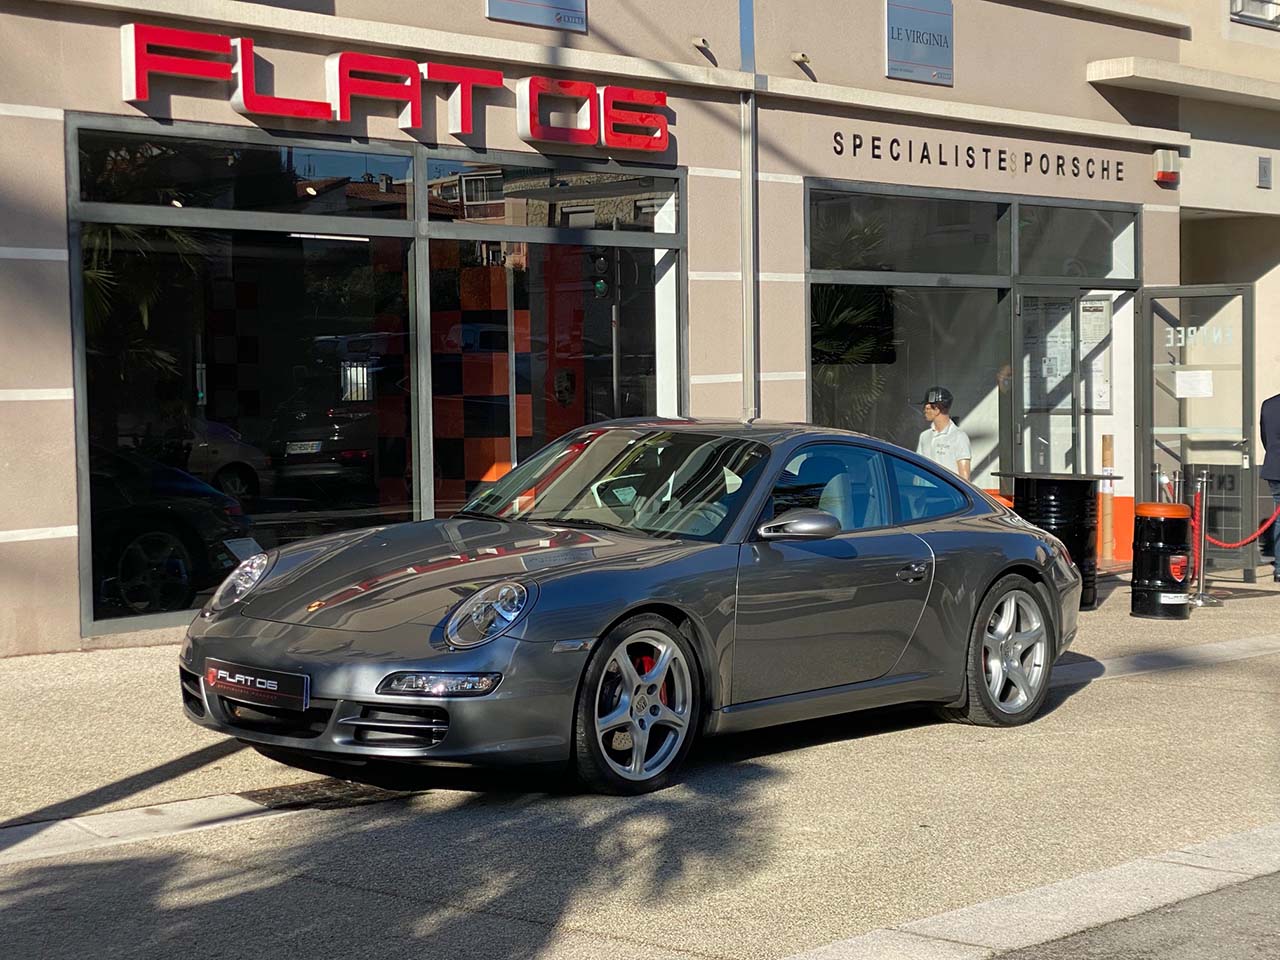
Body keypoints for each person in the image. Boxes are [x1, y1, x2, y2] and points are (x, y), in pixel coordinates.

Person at [916, 386, 972, 481]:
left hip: (949, 494)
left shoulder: (959, 437)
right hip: (926, 493)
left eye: (927, 408)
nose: (924, 410)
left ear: (937, 410)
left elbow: (965, 478)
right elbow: (918, 470)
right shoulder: (924, 436)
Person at [1260, 392, 1280, 582]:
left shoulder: (1269, 404)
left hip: (1274, 468)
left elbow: (1265, 438)